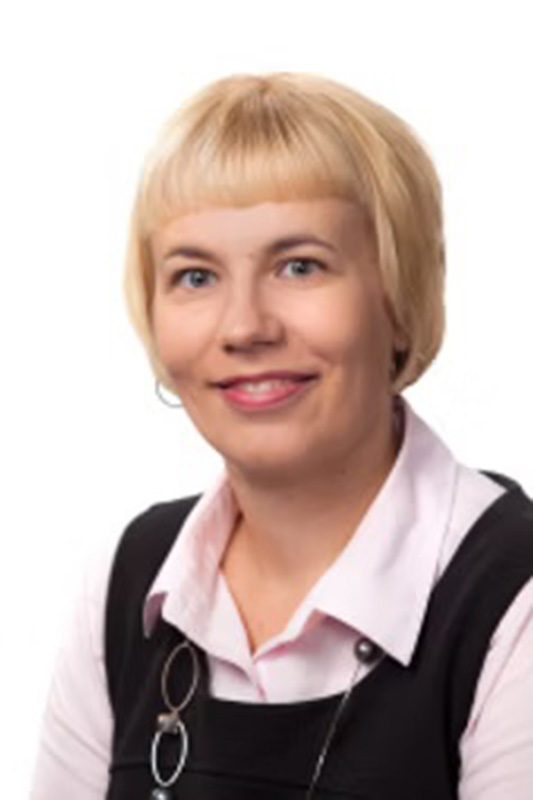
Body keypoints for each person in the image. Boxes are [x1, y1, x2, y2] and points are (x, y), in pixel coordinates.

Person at [31, 71, 533, 800]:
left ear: (399, 300)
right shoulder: (127, 582)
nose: (244, 327)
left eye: (300, 266)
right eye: (195, 276)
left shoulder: (513, 596)